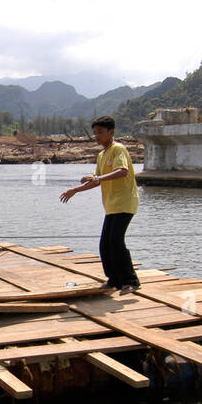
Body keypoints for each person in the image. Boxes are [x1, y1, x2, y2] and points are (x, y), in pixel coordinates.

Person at [60, 115, 140, 296]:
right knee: (105, 244)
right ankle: (114, 280)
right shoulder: (101, 155)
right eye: (95, 133)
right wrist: (75, 190)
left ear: (111, 132)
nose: (97, 136)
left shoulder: (118, 149)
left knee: (116, 241)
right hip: (112, 204)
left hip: (125, 201)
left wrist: (98, 178)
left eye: (100, 132)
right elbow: (96, 181)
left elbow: (122, 171)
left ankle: (131, 280)